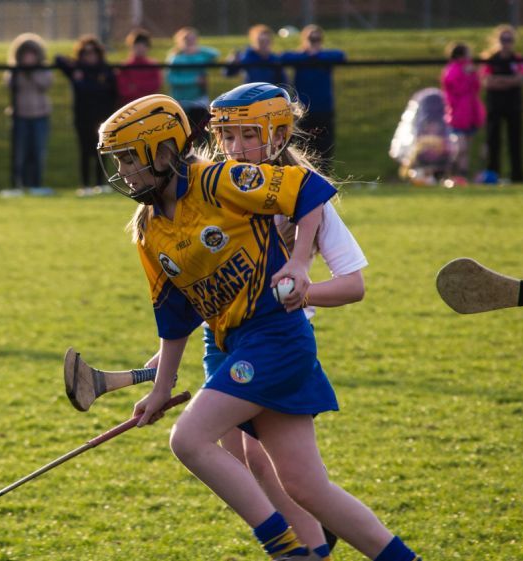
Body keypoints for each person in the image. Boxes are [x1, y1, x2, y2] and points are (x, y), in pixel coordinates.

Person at [97, 92, 421, 561]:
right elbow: (174, 316)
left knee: (189, 439)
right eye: (118, 161)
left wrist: (299, 264)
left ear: (164, 152)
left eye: (130, 158)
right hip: (230, 341)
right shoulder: (149, 228)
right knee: (305, 487)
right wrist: (161, 387)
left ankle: (287, 550)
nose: (123, 171)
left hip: (274, 340)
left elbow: (307, 189)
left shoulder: (218, 181)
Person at [135, 81, 368, 557]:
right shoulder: (210, 187)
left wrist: (301, 290)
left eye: (248, 136)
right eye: (227, 136)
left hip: (277, 338)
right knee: (242, 458)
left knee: (266, 461)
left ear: (277, 137)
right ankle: (311, 539)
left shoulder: (307, 200)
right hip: (223, 341)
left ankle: (310, 541)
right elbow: (195, 284)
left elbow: (354, 286)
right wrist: (166, 361)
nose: (235, 148)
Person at [55, 35, 118, 189]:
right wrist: (74, 65)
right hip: (83, 117)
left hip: (102, 117)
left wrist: (84, 83)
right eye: (86, 52)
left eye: (93, 52)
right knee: (85, 150)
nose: (90, 56)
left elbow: (110, 91)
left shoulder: (105, 70)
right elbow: (58, 59)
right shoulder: (77, 69)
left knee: (101, 150)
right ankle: (85, 185)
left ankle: (100, 183)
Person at [281, 25, 345, 173]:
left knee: (324, 148)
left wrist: (316, 55)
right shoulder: (299, 58)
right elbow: (283, 57)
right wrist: (309, 55)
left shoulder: (325, 57)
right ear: (304, 39)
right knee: (300, 145)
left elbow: (340, 55)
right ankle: (300, 175)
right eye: (311, 38)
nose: (314, 41)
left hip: (323, 109)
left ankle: (324, 176)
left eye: (317, 39)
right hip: (302, 112)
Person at [481, 24, 523, 182]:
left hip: (514, 105)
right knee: (493, 140)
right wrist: (510, 81)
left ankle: (517, 176)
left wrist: (499, 80)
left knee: (515, 140)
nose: (506, 43)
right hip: (495, 105)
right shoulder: (491, 59)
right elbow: (487, 81)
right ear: (498, 40)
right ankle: (492, 175)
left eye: (509, 39)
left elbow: (522, 78)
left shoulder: (517, 59)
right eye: (503, 39)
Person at [6, 32, 53, 190]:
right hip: (20, 116)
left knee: (37, 153)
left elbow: (45, 84)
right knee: (21, 153)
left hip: (40, 116)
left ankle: (36, 185)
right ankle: (20, 184)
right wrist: (21, 70)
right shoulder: (15, 70)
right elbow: (10, 84)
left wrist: (32, 71)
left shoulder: (43, 70)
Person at [440, 42, 485, 179]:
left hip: (471, 114)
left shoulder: (470, 69)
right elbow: (456, 90)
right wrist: (465, 75)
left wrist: (472, 74)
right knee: (460, 148)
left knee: (467, 149)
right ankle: (448, 172)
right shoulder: (452, 70)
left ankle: (462, 176)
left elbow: (476, 88)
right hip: (457, 115)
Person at [165, 27, 218, 137]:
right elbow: (172, 79)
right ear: (180, 42)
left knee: (203, 131)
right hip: (182, 101)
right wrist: (194, 81)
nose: (190, 42)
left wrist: (198, 49)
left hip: (199, 100)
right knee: (184, 132)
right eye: (187, 40)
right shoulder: (176, 59)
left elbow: (215, 53)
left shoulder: (201, 56)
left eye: (193, 39)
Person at [116, 28, 162, 106]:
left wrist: (135, 86)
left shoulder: (153, 65)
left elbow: (155, 86)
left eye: (143, 45)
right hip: (130, 106)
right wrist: (144, 87)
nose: (140, 48)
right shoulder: (124, 67)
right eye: (137, 45)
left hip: (149, 105)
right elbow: (123, 90)